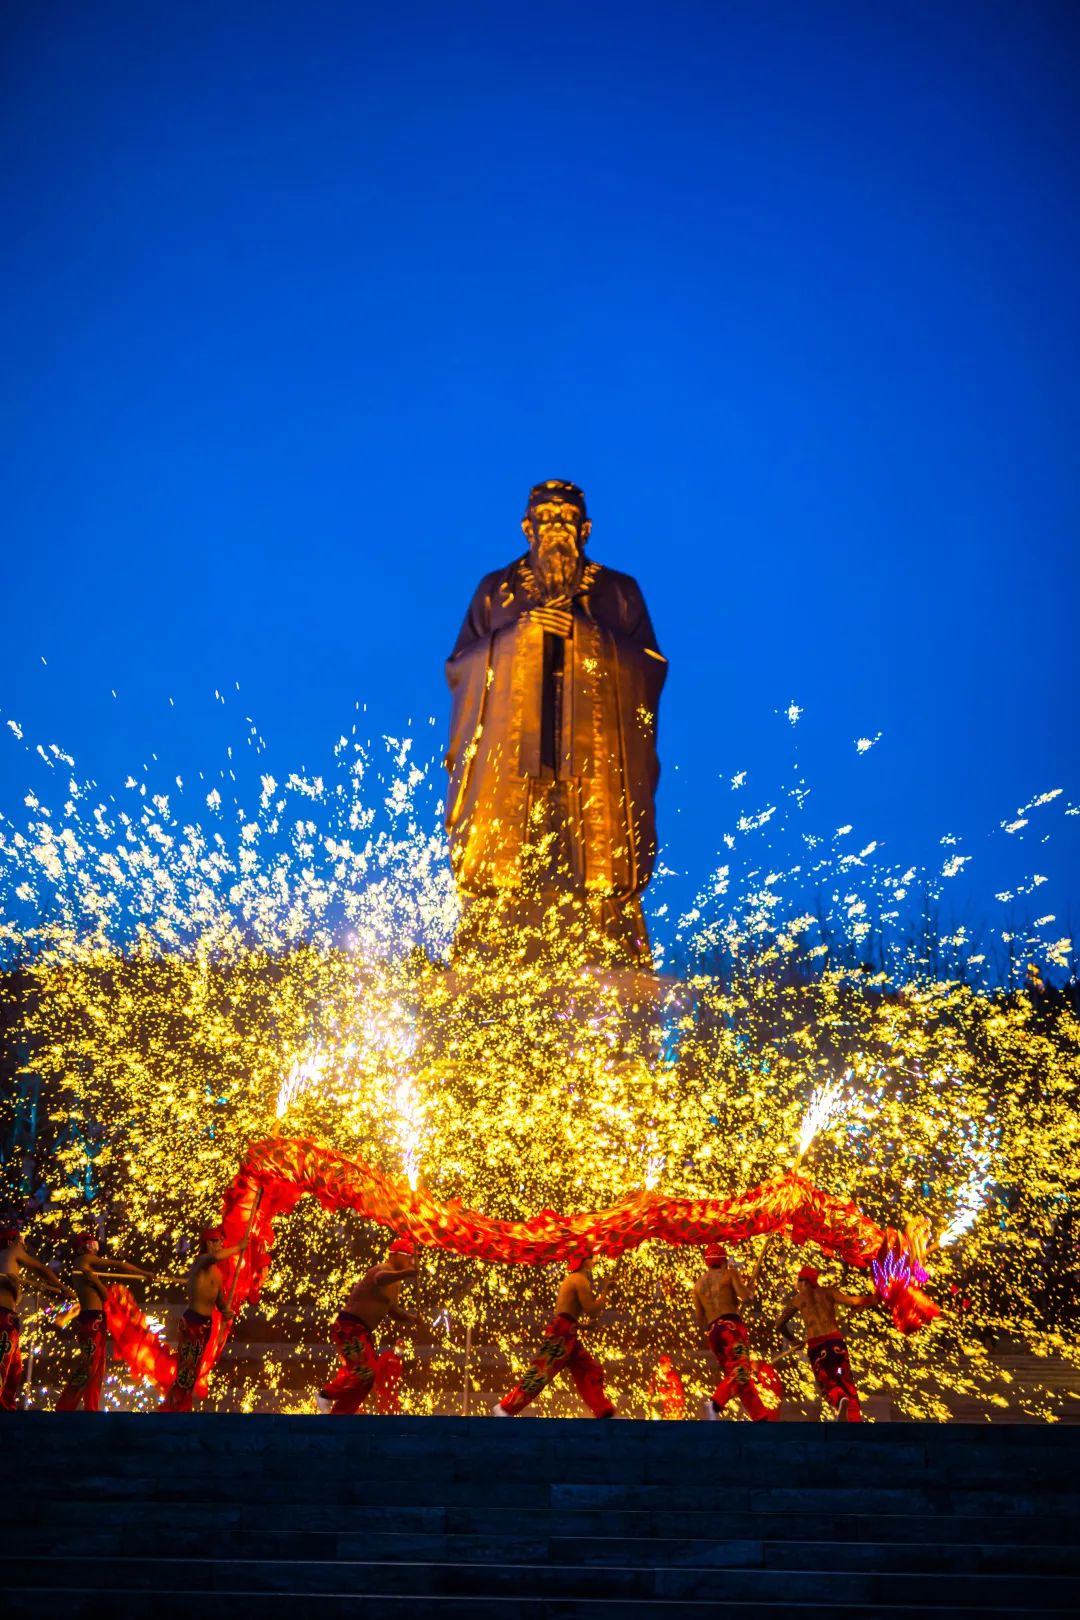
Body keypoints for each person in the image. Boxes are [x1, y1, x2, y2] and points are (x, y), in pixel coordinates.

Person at [445, 480, 667, 965]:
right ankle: (493, 941)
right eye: (546, 518)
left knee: (598, 861)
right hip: (511, 764)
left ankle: (608, 942)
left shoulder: (619, 592)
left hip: (594, 769)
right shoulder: (495, 592)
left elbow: (649, 670)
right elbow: (460, 668)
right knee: (505, 858)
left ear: (585, 529)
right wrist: (517, 639)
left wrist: (587, 637)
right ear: (528, 527)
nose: (557, 528)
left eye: (567, 518)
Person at [494, 1251, 616, 1418]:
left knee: (590, 1369)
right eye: (592, 1257)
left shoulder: (572, 1279)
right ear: (583, 1261)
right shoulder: (579, 1279)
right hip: (562, 1334)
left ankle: (604, 1412)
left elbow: (567, 1313)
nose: (595, 1260)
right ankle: (505, 1408)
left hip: (566, 1331)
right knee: (540, 1374)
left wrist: (581, 1326)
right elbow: (592, 1311)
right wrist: (606, 1291)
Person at [316, 1238, 420, 1416]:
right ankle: (326, 1394)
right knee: (365, 1372)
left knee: (367, 1379)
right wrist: (405, 1273)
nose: (411, 1261)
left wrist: (412, 1318)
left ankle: (340, 1416)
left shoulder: (396, 1283)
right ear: (395, 1255)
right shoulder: (383, 1269)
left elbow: (392, 1310)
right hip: (349, 1328)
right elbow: (380, 1279)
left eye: (413, 1258)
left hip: (362, 1332)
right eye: (408, 1257)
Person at [56, 1232, 156, 1412]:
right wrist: (143, 1273)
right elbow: (117, 1267)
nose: (94, 1248)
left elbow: (101, 1295)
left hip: (94, 1318)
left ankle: (90, 1407)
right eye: (90, 1245)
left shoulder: (84, 1267)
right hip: (92, 1319)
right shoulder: (84, 1260)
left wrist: (95, 1281)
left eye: (94, 1244)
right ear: (82, 1249)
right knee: (90, 1366)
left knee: (96, 1368)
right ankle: (65, 1406)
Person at [159, 1226, 247, 1413]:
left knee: (194, 1370)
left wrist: (225, 1311)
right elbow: (214, 1257)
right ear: (209, 1243)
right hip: (193, 1322)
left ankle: (182, 1405)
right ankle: (174, 1407)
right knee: (186, 1368)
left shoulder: (217, 1273)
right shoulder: (201, 1261)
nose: (221, 1244)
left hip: (205, 1325)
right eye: (218, 1241)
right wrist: (239, 1247)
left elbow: (219, 1301)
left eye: (222, 1241)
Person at [774, 1264, 877, 1422]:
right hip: (835, 1345)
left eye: (797, 1280)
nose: (796, 1284)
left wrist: (794, 1340)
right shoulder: (829, 1292)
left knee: (827, 1383)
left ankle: (840, 1400)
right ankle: (854, 1418)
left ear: (804, 1281)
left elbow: (780, 1324)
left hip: (817, 1349)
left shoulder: (798, 1299)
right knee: (843, 1377)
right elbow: (853, 1300)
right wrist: (874, 1299)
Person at [693, 1243, 775, 1422]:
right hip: (731, 1330)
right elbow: (745, 1297)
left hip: (714, 1333)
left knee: (741, 1376)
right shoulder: (729, 1274)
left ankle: (759, 1416)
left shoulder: (698, 1285)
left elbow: (699, 1318)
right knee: (741, 1368)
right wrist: (750, 1291)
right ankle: (715, 1403)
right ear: (724, 1260)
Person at [1, 1224, 76, 1411]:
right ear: (11, 1242)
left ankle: (7, 1409)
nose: (24, 1245)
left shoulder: (5, 1260)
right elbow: (42, 1269)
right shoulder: (11, 1251)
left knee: (14, 1368)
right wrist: (62, 1287)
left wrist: (14, 1286)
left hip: (8, 1315)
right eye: (21, 1241)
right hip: (3, 1316)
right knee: (4, 1364)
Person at [647, 1353, 686, 1420]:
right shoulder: (658, 1374)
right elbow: (651, 1383)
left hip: (676, 1406)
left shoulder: (673, 1376)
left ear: (669, 1365)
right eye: (663, 1365)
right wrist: (650, 1389)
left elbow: (674, 1391)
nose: (665, 1367)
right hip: (666, 1407)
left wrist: (661, 1397)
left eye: (667, 1365)